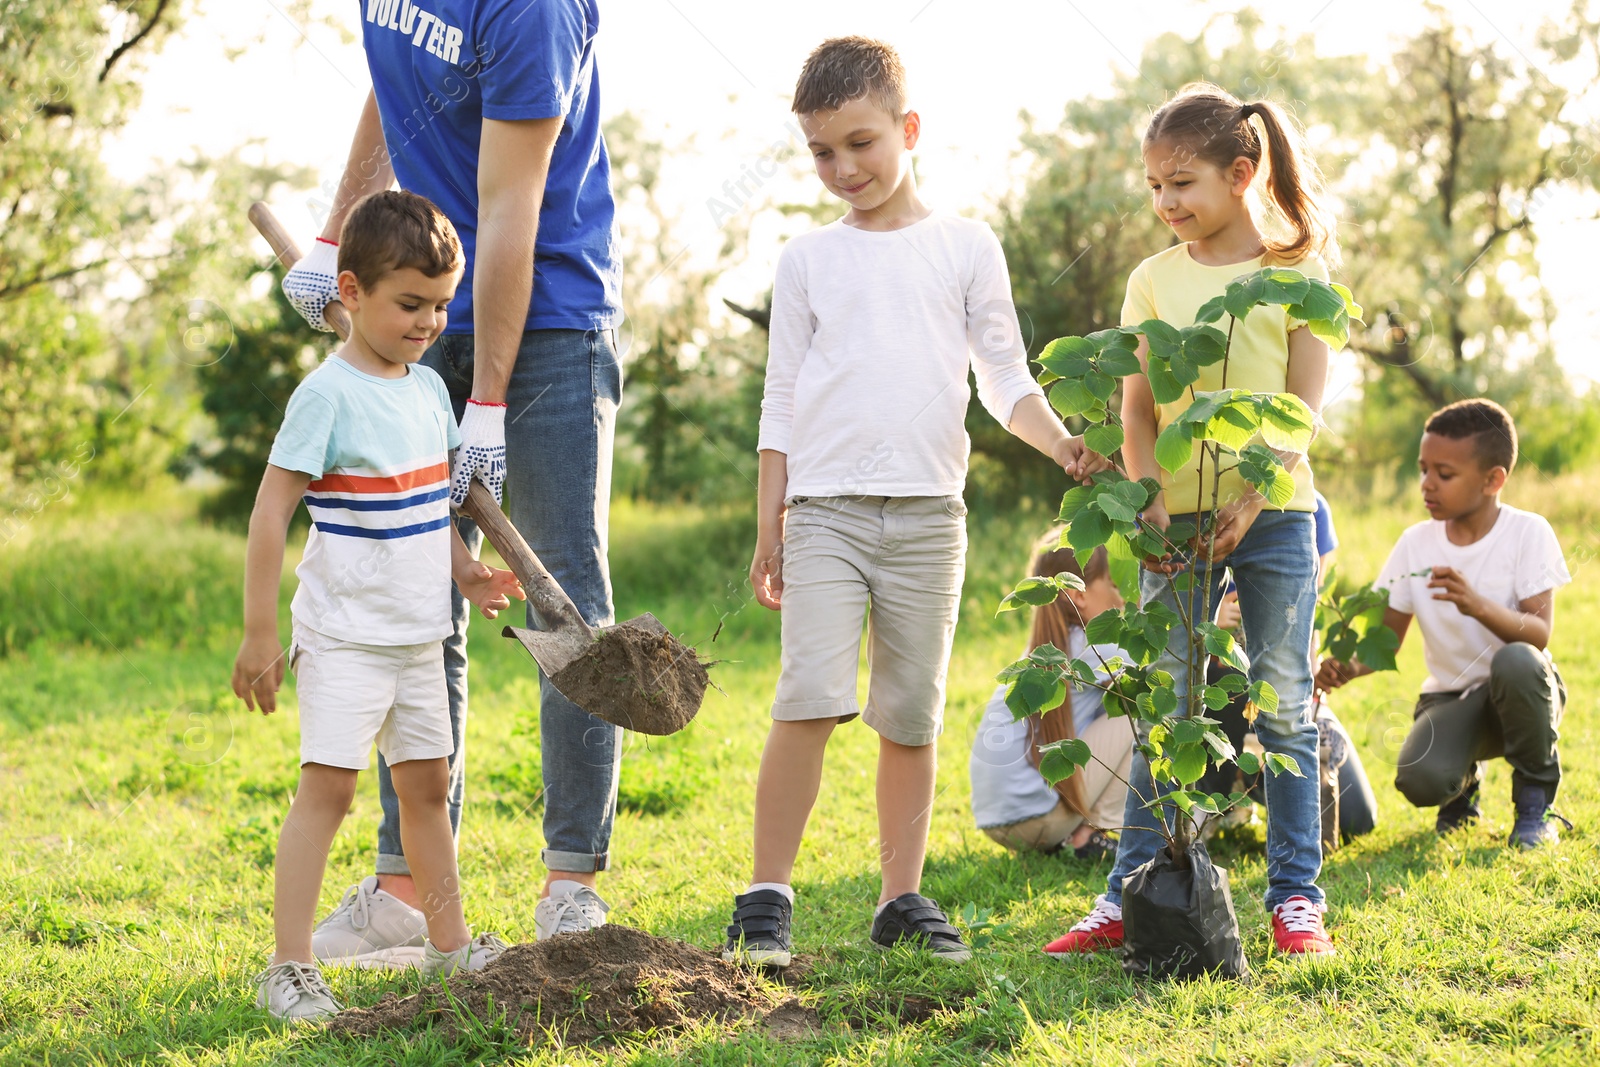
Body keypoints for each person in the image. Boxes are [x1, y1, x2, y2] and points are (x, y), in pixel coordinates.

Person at [722, 36, 1109, 969]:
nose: (842, 168)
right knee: (808, 697)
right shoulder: (808, 259)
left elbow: (1004, 379)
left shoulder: (965, 246)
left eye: (860, 143)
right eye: (821, 151)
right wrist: (769, 517)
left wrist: (1059, 439)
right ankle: (767, 897)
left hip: (931, 516)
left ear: (910, 128)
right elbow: (781, 397)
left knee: (911, 712)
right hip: (824, 512)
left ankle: (901, 897)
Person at [278, 1, 625, 962]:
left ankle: (570, 886)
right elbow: (398, 96)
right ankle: (404, 891)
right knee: (416, 579)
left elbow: (513, 204)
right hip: (417, 299)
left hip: (548, 310)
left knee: (561, 590)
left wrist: (485, 404)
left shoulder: (531, 9)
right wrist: (336, 238)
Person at [1047, 83, 1340, 960]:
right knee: (1164, 709)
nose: (1166, 203)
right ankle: (1126, 896)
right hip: (1173, 520)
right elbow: (1138, 411)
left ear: (1240, 173)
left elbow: (1304, 411)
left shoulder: (1298, 273)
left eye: (1182, 183)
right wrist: (1147, 505)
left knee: (1284, 705)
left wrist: (1252, 498)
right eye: (1153, 187)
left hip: (1276, 514)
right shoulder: (1152, 279)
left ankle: (1296, 901)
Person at [232, 191, 524, 1021]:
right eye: (409, 304)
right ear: (351, 292)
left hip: (417, 634)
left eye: (440, 305)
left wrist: (465, 571)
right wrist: (259, 633)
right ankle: (288, 966)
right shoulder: (325, 396)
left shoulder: (430, 394)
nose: (429, 321)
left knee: (427, 787)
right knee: (328, 789)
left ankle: (449, 946)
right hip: (346, 635)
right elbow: (268, 513)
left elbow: (427, 508)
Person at [1317, 399, 1571, 848]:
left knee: (1516, 660)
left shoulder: (1528, 532)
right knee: (1420, 780)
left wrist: (1477, 604)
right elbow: (1387, 644)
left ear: (1494, 480)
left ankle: (1536, 805)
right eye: (1423, 469)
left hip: (1524, 691)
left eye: (1444, 474)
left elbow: (1539, 634)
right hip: (1451, 698)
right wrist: (1346, 668)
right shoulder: (1416, 544)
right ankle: (1462, 787)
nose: (1426, 485)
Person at [1202, 491, 1379, 843]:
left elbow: (1305, 615)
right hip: (1219, 701)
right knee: (1236, 680)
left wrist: (1316, 672)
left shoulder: (1310, 506)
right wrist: (1208, 621)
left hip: (1289, 698)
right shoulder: (1205, 496)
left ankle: (1250, 785)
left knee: (1358, 819)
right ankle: (1212, 800)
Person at [969, 534, 1135, 859]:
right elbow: (1168, 664)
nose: (1120, 598)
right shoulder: (1091, 649)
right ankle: (1091, 833)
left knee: (1116, 702)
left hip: (997, 823)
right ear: (1079, 596)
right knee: (1139, 711)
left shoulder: (1045, 651)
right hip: (1040, 820)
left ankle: (1080, 831)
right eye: (1112, 584)